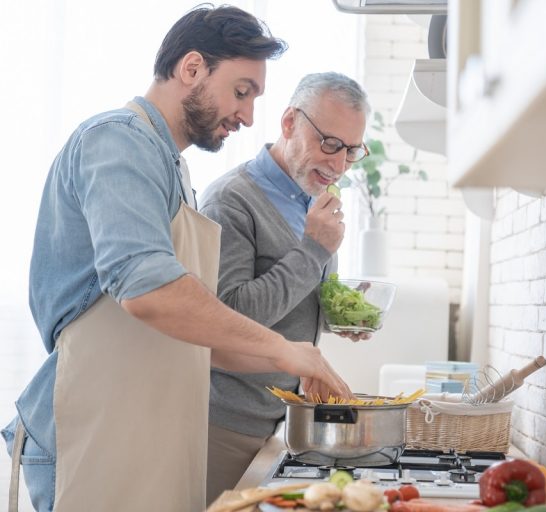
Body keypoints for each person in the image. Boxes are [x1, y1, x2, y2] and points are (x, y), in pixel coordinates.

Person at [1, 7, 351, 512]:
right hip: (95, 430)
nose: (249, 116)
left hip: (147, 431)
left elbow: (208, 338)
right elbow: (151, 292)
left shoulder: (171, 166)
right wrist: (280, 349)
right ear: (191, 69)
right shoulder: (118, 141)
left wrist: (301, 362)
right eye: (241, 90)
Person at [199, 72, 371, 502]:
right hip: (226, 425)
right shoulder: (231, 201)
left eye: (351, 151)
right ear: (290, 122)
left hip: (282, 422)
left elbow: (290, 300)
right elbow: (229, 318)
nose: (338, 165)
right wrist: (315, 249)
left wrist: (338, 316)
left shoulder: (310, 198)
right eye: (330, 144)